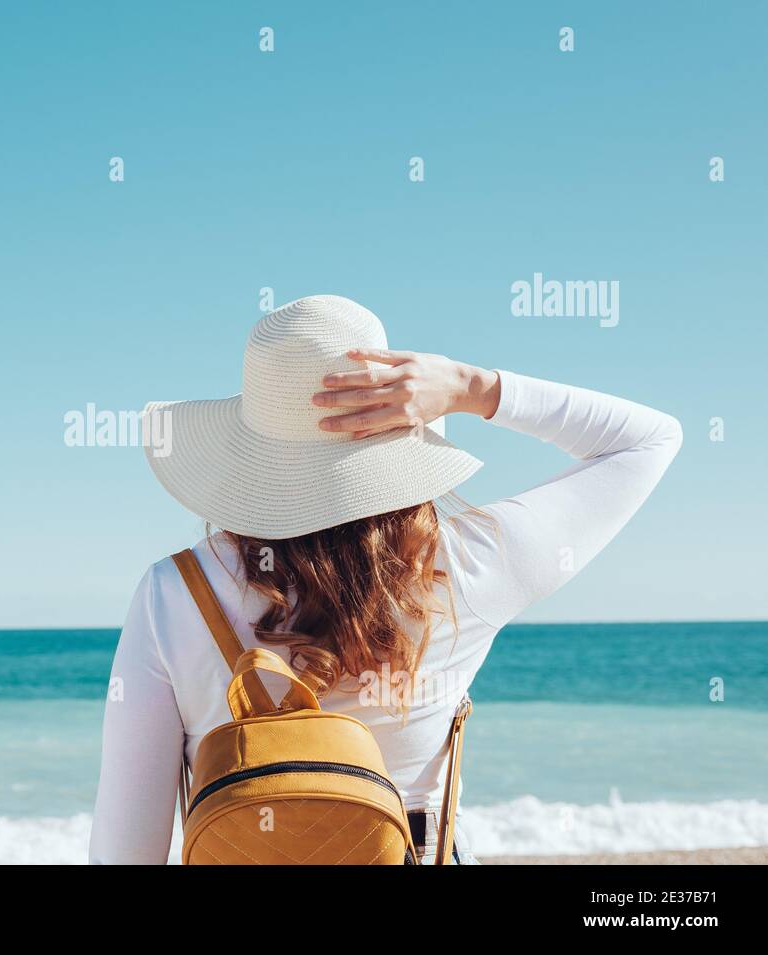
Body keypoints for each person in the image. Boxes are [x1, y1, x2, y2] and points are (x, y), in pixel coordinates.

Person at [89, 295, 682, 864]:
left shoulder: (175, 592)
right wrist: (470, 387)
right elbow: (647, 439)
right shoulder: (473, 564)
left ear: (249, 450)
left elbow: (126, 847)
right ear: (401, 424)